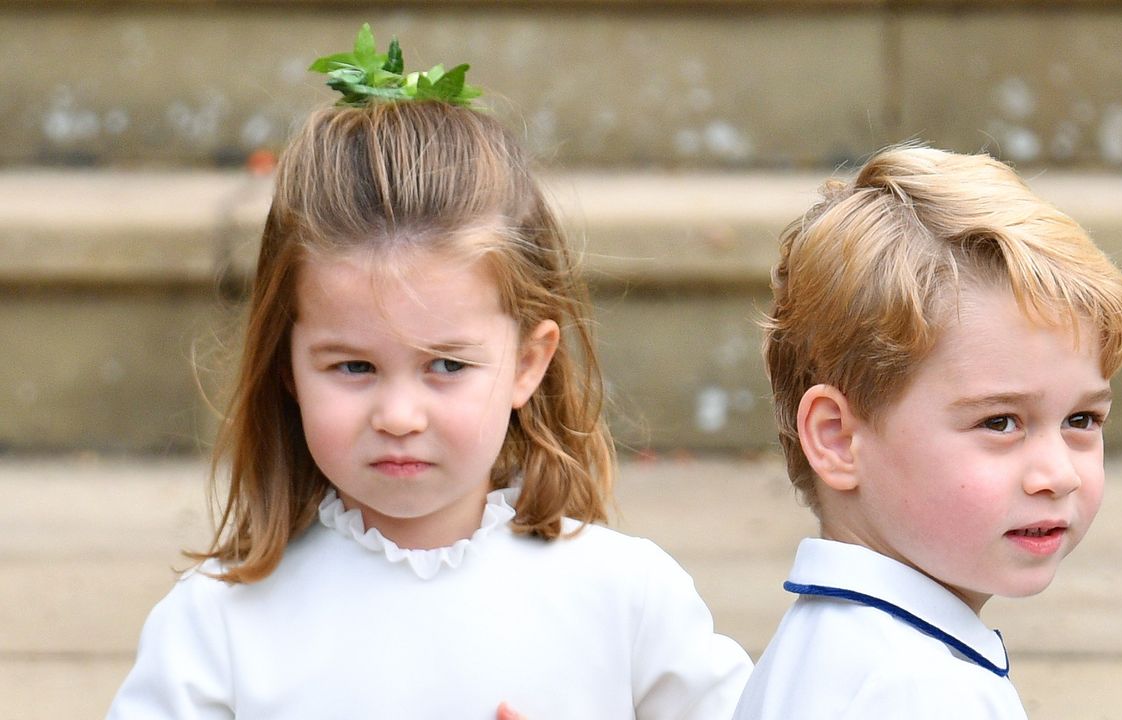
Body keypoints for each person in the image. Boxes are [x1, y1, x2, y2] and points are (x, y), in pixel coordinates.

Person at [107, 25, 750, 720]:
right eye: (353, 365)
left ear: (528, 364)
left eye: (446, 364)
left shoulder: (626, 600)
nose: (399, 415)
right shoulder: (218, 627)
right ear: (287, 365)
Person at [733, 145, 1122, 719]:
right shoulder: (921, 690)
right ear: (836, 439)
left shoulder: (827, 649)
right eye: (999, 422)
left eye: (1081, 420)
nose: (1059, 474)